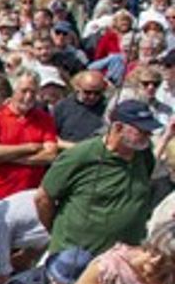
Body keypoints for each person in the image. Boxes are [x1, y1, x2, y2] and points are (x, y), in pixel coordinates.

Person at [38, 98, 158, 258]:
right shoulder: (81, 156)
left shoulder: (144, 155)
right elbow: (43, 198)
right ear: (118, 127)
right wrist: (57, 232)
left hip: (124, 258)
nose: (148, 135)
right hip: (77, 257)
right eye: (141, 131)